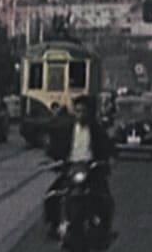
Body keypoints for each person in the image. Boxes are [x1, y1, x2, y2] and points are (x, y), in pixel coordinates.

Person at [46, 94, 116, 241]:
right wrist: (54, 159)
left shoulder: (96, 130)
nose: (80, 114)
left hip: (91, 169)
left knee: (105, 197)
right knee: (52, 194)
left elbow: (107, 145)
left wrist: (108, 160)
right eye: (77, 111)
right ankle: (54, 225)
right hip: (70, 168)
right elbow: (55, 146)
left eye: (84, 111)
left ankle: (104, 227)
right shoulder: (66, 129)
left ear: (89, 113)